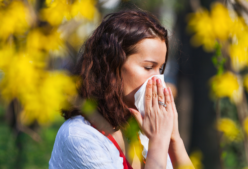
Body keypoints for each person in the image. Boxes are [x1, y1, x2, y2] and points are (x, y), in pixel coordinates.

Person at [49, 10, 194, 169]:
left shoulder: (143, 130)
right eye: (148, 67)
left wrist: (173, 139)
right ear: (112, 65)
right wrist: (158, 142)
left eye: (160, 70)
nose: (158, 81)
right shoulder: (80, 137)